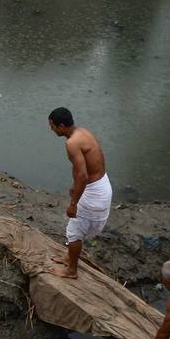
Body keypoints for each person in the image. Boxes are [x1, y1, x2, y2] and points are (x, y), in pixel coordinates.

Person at [47, 106, 111, 279]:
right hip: (102, 184)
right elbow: (87, 168)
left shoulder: (71, 143)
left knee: (74, 231)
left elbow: (82, 175)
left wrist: (73, 203)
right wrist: (74, 186)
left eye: (52, 125)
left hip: (94, 192)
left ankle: (72, 271)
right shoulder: (83, 132)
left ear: (61, 126)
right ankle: (69, 257)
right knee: (75, 227)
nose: (50, 129)